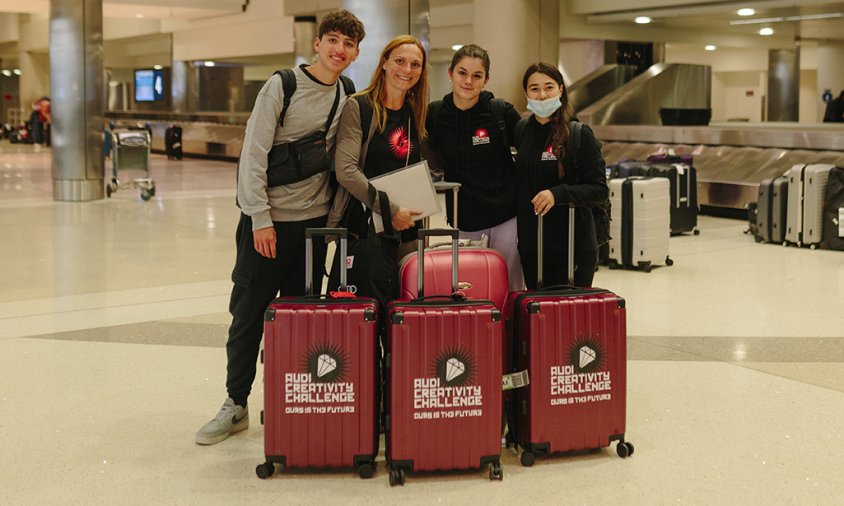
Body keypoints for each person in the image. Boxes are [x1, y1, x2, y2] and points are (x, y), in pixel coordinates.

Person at [195, 9, 365, 446]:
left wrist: (329, 223)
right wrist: (260, 219)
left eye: (348, 44)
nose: (339, 50)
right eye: (333, 40)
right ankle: (235, 404)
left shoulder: (346, 92)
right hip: (268, 226)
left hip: (312, 228)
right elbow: (252, 154)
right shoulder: (282, 86)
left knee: (299, 319)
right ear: (318, 43)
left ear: (356, 52)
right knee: (249, 316)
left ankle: (292, 404)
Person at [326, 34, 429, 306]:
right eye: (400, 61)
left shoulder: (415, 112)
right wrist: (390, 209)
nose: (407, 70)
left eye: (415, 64)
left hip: (407, 229)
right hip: (366, 227)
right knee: (365, 312)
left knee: (403, 312)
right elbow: (346, 170)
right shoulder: (359, 106)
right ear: (384, 63)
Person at [425, 44, 525, 291]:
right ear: (451, 74)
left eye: (477, 75)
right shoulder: (435, 115)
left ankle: (512, 329)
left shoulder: (500, 112)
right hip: (465, 219)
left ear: (486, 79)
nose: (468, 81)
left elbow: (531, 147)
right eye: (462, 73)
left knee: (509, 286)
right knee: (473, 288)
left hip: (507, 216)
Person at [514, 62, 608, 289]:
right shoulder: (521, 131)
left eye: (549, 87)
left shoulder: (578, 134)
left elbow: (599, 190)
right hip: (532, 244)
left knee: (569, 318)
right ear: (526, 92)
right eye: (534, 88)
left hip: (572, 243)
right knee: (539, 316)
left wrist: (557, 194)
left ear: (560, 90)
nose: (542, 95)